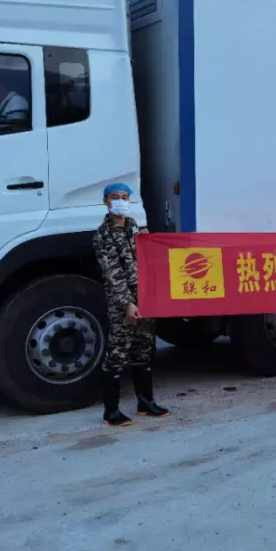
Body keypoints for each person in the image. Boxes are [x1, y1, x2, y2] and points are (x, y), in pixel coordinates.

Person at [92, 182, 170, 426]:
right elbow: (113, 273)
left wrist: (147, 240)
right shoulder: (103, 235)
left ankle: (145, 403)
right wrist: (127, 304)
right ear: (106, 201)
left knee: (143, 349)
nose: (121, 201)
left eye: (125, 197)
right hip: (123, 304)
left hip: (144, 298)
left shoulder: (133, 226)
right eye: (115, 197)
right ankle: (111, 411)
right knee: (117, 353)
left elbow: (145, 258)